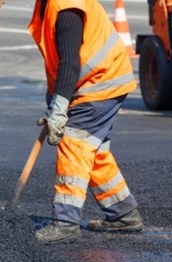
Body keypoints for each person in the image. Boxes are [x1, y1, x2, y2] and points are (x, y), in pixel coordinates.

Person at [28, 0, 144, 244]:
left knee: (74, 142)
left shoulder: (66, 6)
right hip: (98, 79)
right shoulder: (49, 4)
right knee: (94, 149)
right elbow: (61, 60)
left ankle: (66, 222)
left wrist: (60, 106)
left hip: (100, 81)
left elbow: (71, 62)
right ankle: (123, 212)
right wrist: (56, 97)